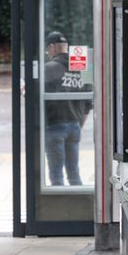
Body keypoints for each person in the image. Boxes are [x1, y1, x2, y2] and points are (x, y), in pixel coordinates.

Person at [43, 31, 92, 186]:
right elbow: (88, 101)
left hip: (54, 125)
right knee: (74, 172)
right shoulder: (79, 67)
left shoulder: (49, 68)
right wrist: (78, 123)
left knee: (56, 175)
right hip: (74, 125)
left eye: (47, 50)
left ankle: (58, 207)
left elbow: (36, 98)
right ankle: (81, 206)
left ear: (52, 47)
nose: (47, 53)